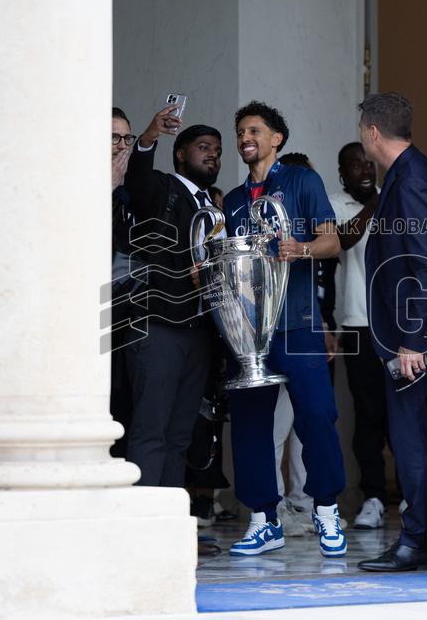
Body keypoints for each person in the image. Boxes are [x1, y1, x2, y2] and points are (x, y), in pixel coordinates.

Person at [221, 100, 347, 558]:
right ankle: (262, 521)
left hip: (297, 324)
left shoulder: (301, 181)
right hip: (248, 332)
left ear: (276, 139)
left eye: (253, 129)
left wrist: (302, 248)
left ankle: (327, 509)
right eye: (239, 131)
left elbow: (332, 241)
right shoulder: (232, 201)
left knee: (317, 416)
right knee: (251, 427)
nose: (244, 137)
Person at [357, 92, 427, 572]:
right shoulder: (408, 175)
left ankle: (415, 541)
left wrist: (413, 339)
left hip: (415, 335)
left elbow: (426, 262)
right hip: (416, 331)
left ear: (372, 133)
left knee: (412, 437)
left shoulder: (413, 179)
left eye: (362, 130)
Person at [123, 105, 223, 489]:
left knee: (181, 435)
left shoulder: (213, 208)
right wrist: (148, 138)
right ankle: (143, 528)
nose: (212, 153)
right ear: (181, 153)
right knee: (152, 431)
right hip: (158, 325)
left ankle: (169, 525)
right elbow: (137, 178)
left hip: (199, 333)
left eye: (216, 148)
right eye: (203, 146)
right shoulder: (163, 188)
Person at [328, 141, 393, 529]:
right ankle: (373, 496)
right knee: (366, 415)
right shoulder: (333, 204)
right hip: (354, 324)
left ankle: (410, 498)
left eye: (369, 163)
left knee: (402, 415)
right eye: (355, 165)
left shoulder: (394, 199)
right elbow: (343, 240)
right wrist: (374, 207)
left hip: (395, 326)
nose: (365, 170)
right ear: (343, 173)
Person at [108, 107, 137, 459]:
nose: (122, 146)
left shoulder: (140, 187)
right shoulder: (77, 182)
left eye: (127, 138)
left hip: (136, 311)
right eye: (114, 137)